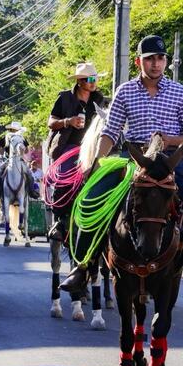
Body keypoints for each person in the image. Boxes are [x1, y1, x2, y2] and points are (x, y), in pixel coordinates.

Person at [58, 37, 183, 299]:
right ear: (139, 61)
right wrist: (95, 164)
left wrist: (167, 139)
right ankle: (84, 266)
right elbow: (110, 131)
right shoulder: (125, 91)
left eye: (160, 59)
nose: (156, 64)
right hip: (134, 159)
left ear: (165, 62)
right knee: (92, 199)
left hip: (170, 160)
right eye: (150, 59)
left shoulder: (181, 92)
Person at [44, 62, 105, 238]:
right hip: (69, 147)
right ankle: (60, 219)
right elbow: (51, 122)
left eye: (96, 78)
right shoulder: (64, 98)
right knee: (64, 178)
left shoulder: (100, 99)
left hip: (95, 148)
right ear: (79, 81)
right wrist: (68, 121)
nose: (94, 82)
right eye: (90, 79)